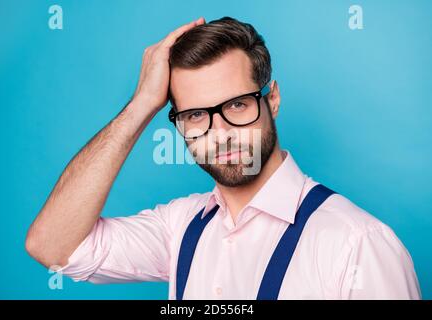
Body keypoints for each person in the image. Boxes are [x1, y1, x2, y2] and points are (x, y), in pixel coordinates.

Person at [25, 16, 421, 299]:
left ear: (273, 99)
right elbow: (53, 247)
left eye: (236, 105)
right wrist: (140, 106)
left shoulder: (358, 245)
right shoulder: (181, 229)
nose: (221, 132)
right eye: (196, 114)